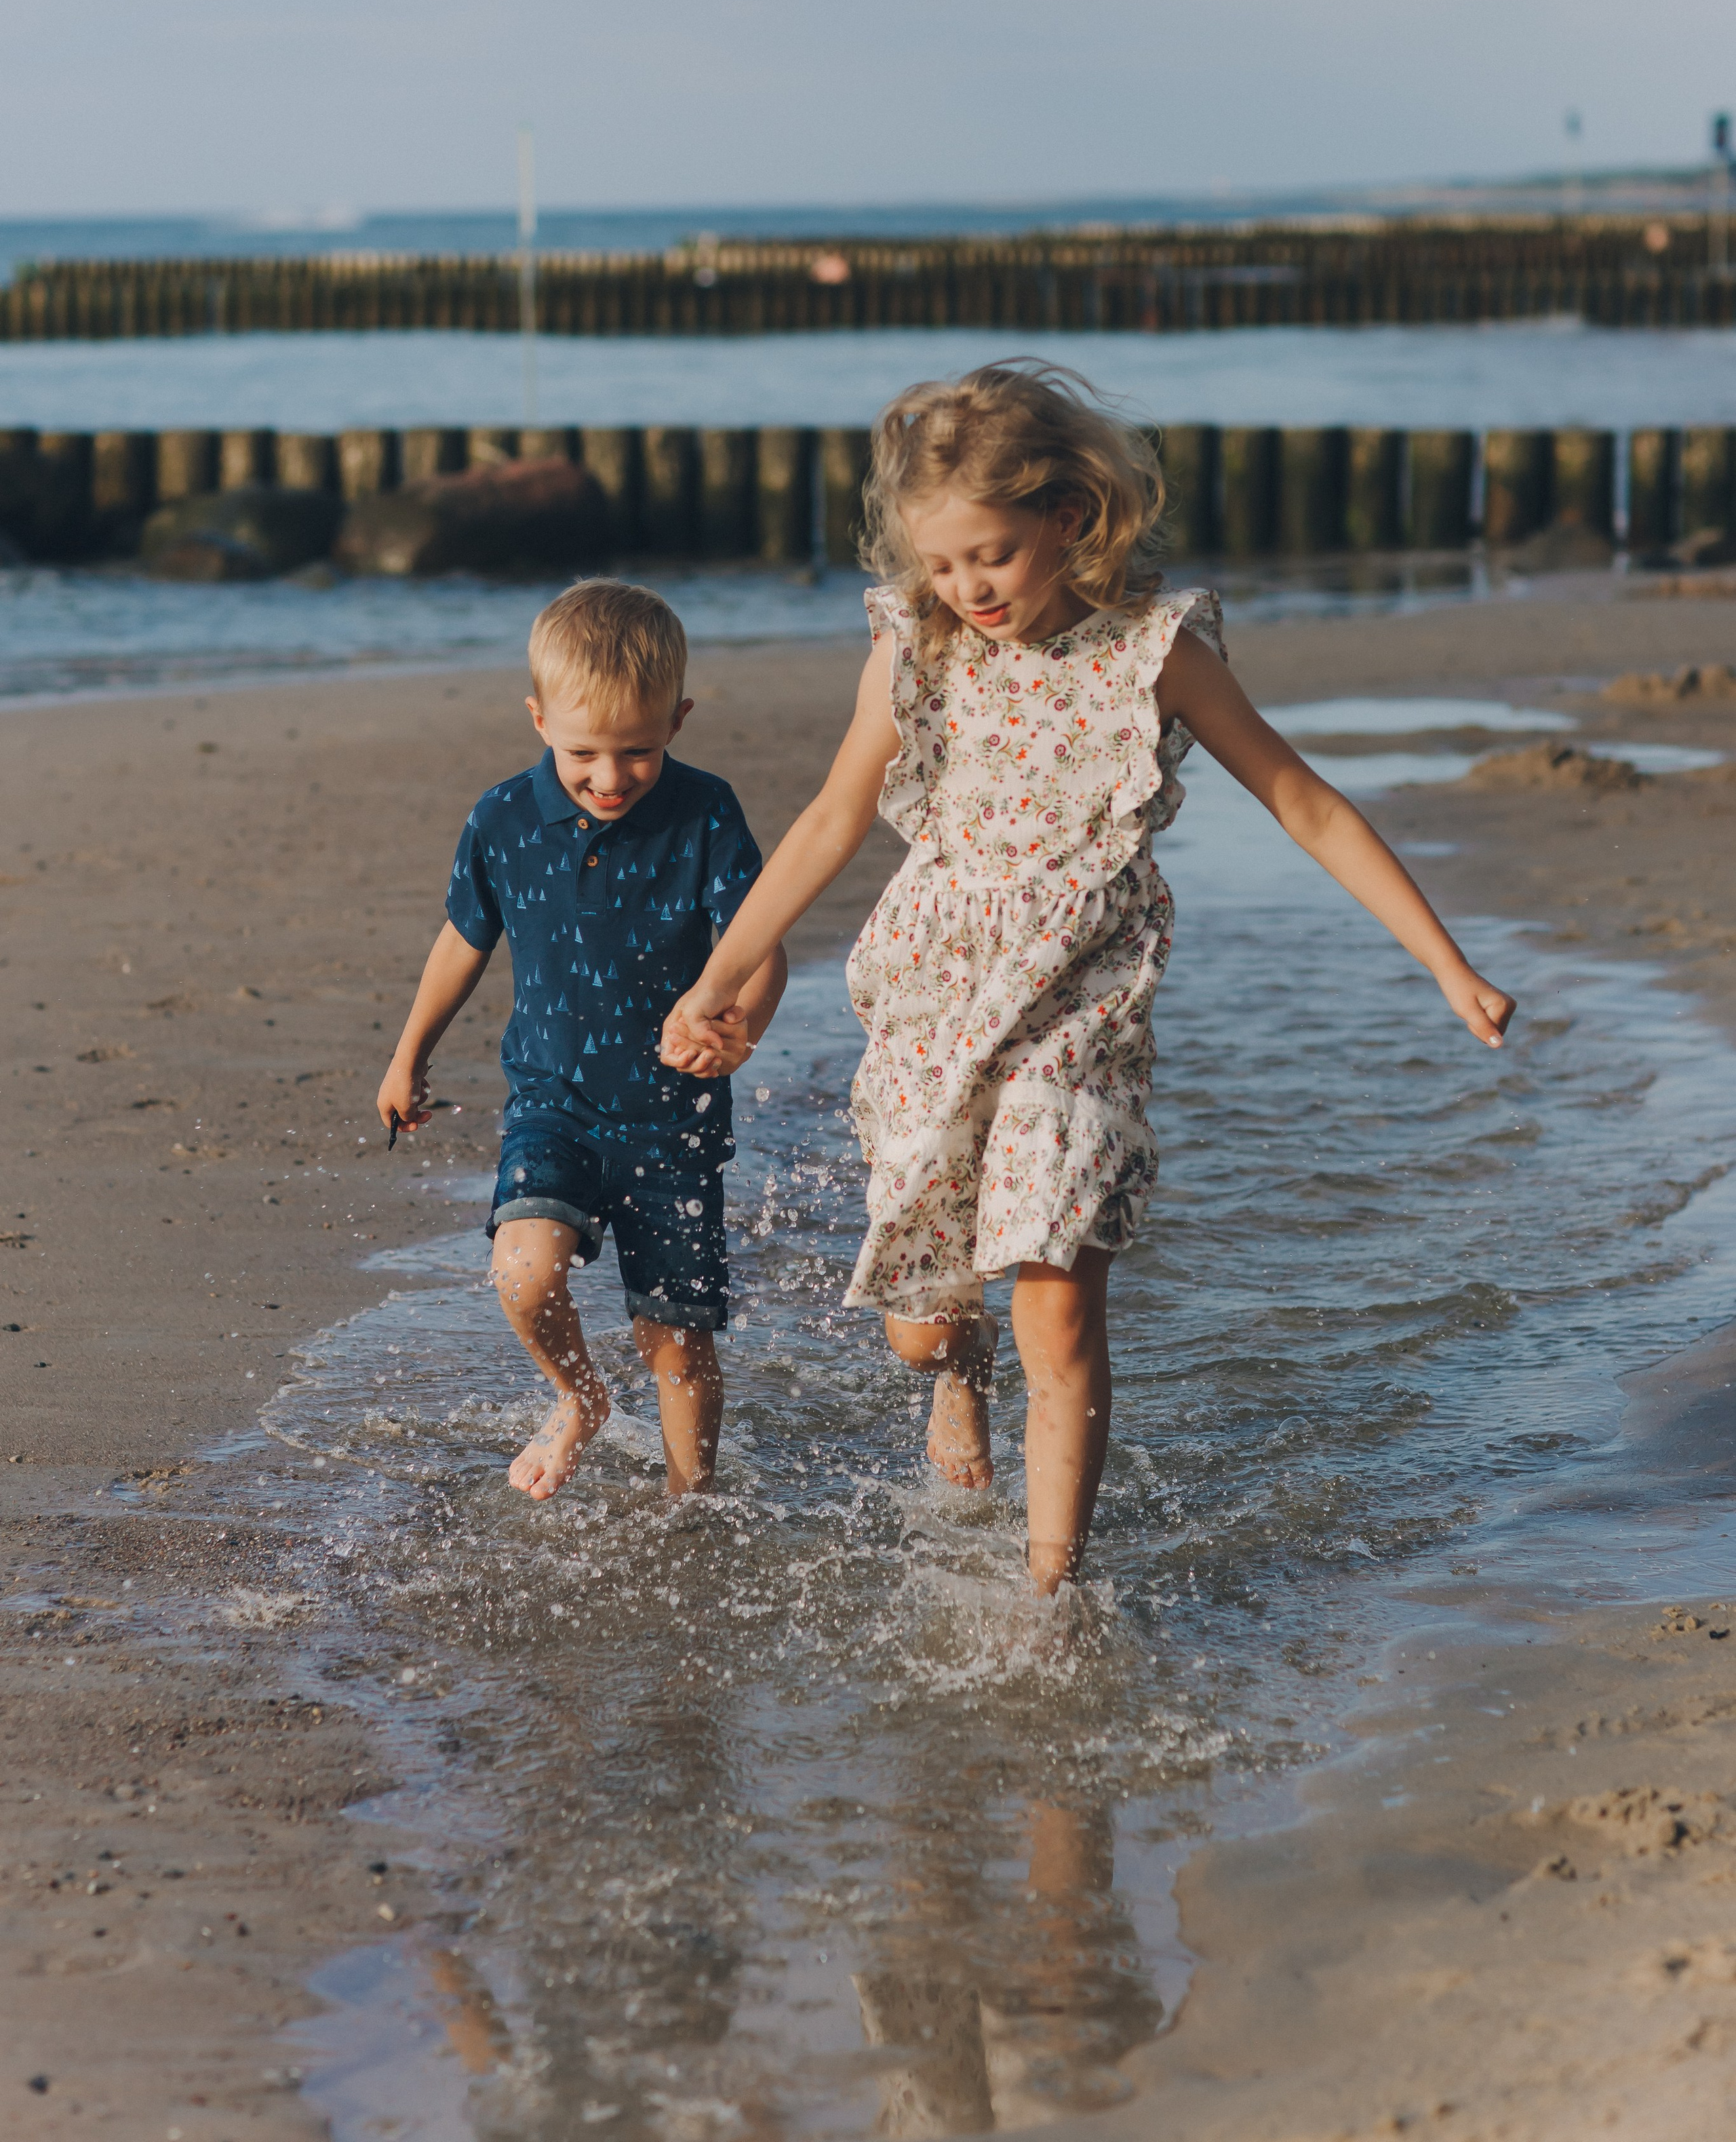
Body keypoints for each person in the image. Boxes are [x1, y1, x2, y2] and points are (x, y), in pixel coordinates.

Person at [662, 363, 1516, 1593]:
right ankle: (957, 1374)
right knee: (920, 1326)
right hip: (937, 1001)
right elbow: (829, 823)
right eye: (944, 565)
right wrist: (716, 979)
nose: (968, 589)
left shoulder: (1153, 654)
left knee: (1056, 1303)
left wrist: (1447, 964)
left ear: (1069, 516)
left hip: (1081, 1015)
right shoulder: (918, 649)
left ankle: (1049, 1586)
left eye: (993, 557)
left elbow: (1305, 805)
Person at [378, 578, 785, 1501]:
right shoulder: (503, 821)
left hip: (672, 1122)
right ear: (537, 719)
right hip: (552, 1105)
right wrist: (409, 1054)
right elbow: (462, 941)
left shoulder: (705, 815)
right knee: (523, 1276)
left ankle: (694, 1509)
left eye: (638, 751)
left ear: (678, 720)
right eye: (583, 752)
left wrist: (742, 1031)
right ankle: (579, 1396)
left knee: (676, 1343)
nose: (610, 777)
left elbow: (762, 948)